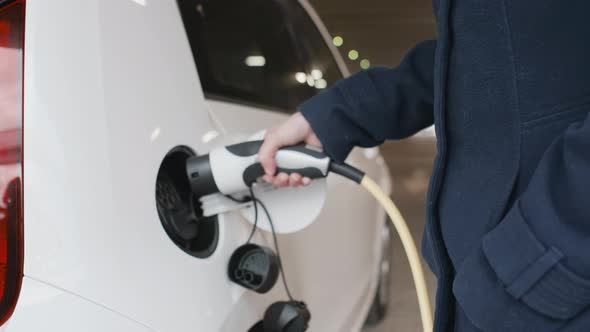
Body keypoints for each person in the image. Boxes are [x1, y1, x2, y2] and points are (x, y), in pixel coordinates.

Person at [258, 1, 590, 331]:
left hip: (548, 283)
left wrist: (539, 259)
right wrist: (338, 114)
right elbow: (483, 56)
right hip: (499, 282)